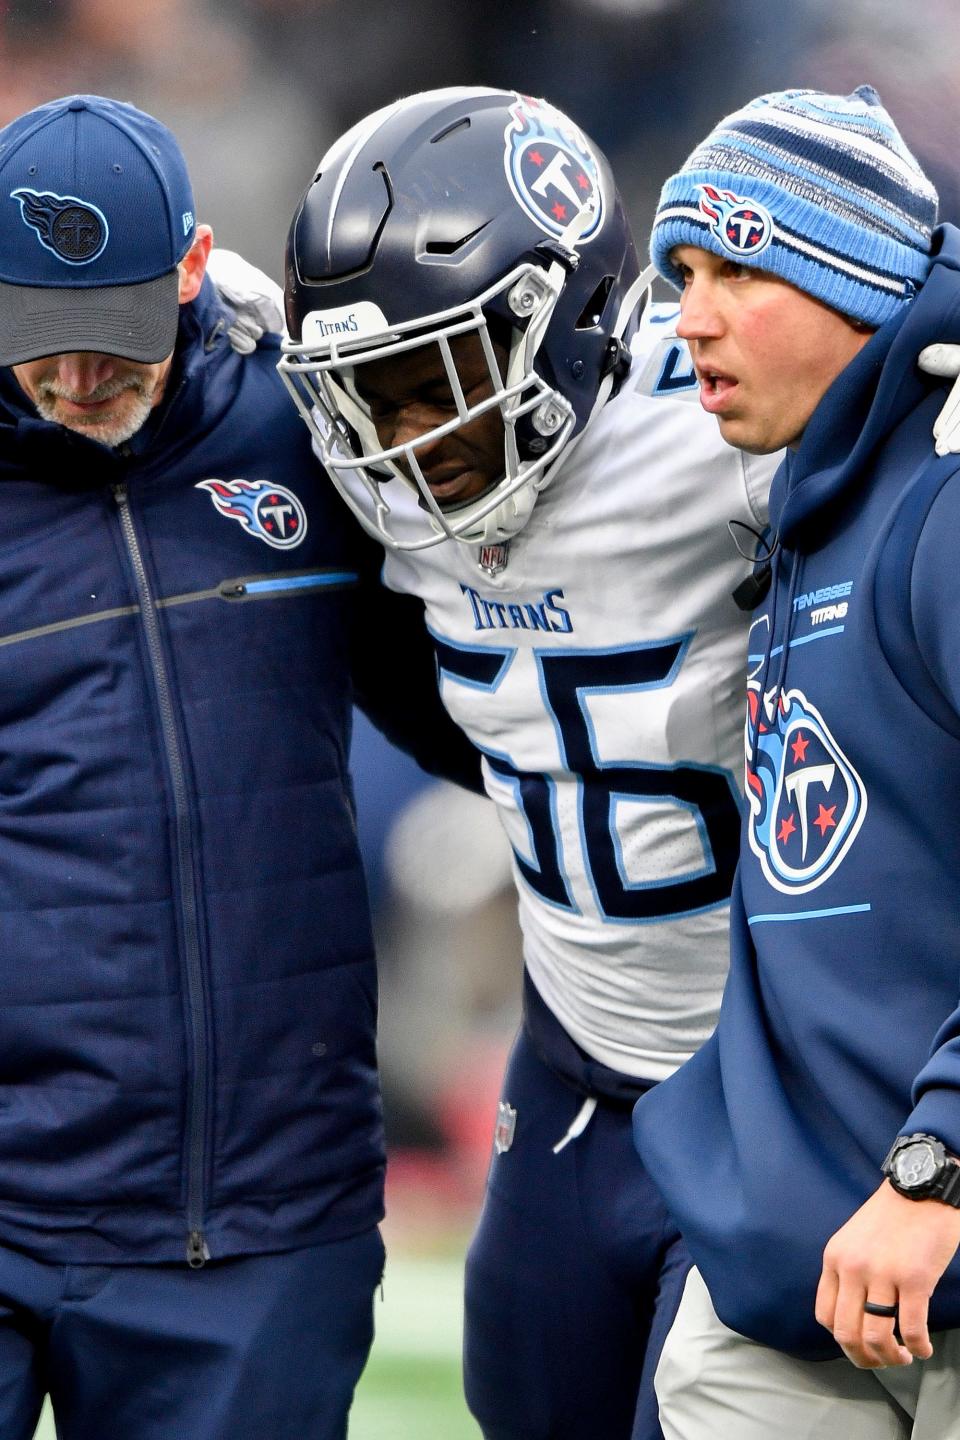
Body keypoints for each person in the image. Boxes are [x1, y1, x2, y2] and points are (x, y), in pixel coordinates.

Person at [274, 85, 782, 1440]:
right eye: (363, 399)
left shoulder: (723, 430)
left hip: (767, 1077)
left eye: (428, 382)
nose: (399, 441)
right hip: (572, 1063)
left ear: (563, 321)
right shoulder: (390, 487)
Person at [0, 93, 479, 1440]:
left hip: (262, 1218)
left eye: (118, 338)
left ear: (197, 270)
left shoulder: (310, 435)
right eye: (41, 339)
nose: (79, 378)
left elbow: (473, 714)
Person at [631, 85, 960, 1439]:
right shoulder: (810, 506)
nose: (691, 316)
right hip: (790, 1273)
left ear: (863, 285)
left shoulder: (942, 505)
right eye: (682, 275)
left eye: (742, 271)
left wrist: (936, 1168)